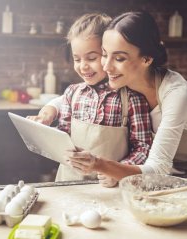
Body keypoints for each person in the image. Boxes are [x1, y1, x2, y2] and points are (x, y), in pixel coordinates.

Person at [67, 11, 187, 184]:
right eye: (105, 54)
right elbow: (76, 93)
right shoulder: (124, 77)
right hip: (164, 177)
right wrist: (50, 110)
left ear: (147, 59)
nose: (106, 66)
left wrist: (100, 165)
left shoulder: (177, 94)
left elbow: (158, 168)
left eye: (119, 58)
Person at [28, 13, 152, 185]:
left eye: (92, 58)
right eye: (77, 59)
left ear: (107, 53)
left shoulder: (132, 99)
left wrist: (119, 171)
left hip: (110, 189)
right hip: (69, 183)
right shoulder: (72, 93)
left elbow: (143, 147)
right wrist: (42, 129)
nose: (83, 66)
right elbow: (64, 136)